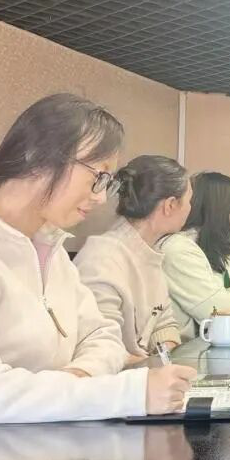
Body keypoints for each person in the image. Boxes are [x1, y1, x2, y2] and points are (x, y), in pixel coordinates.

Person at [0, 94, 196, 460]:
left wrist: (78, 377)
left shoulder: (52, 251)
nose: (101, 198)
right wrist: (125, 393)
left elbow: (103, 336)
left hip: (34, 457)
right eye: (98, 177)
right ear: (40, 157)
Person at [74, 155, 192, 364]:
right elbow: (99, 346)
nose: (190, 208)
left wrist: (161, 359)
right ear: (170, 205)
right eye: (189, 201)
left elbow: (164, 324)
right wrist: (151, 366)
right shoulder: (102, 258)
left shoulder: (149, 253)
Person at [161, 171, 230, 338]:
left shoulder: (220, 250)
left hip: (209, 344)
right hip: (184, 350)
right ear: (222, 210)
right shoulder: (179, 250)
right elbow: (219, 313)